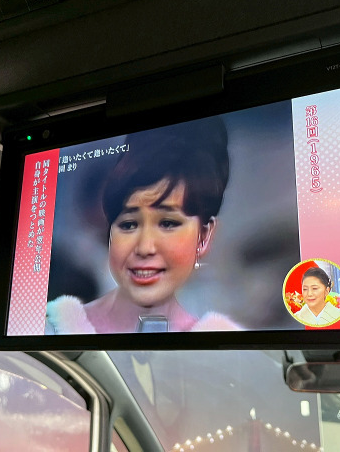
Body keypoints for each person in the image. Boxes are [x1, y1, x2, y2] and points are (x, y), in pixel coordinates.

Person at [46, 119, 242, 334]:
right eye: (129, 223)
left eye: (167, 223)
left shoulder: (211, 303)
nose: (146, 246)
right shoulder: (72, 282)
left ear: (205, 235)